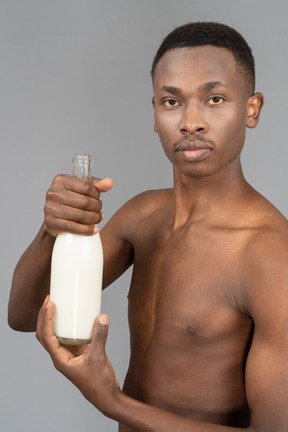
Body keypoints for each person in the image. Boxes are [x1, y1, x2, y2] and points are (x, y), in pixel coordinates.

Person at [8, 21, 288, 432]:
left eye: (214, 98)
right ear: (155, 114)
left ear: (251, 108)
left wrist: (113, 403)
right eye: (172, 102)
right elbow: (24, 312)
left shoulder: (271, 256)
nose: (191, 122)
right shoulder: (142, 217)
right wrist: (52, 228)